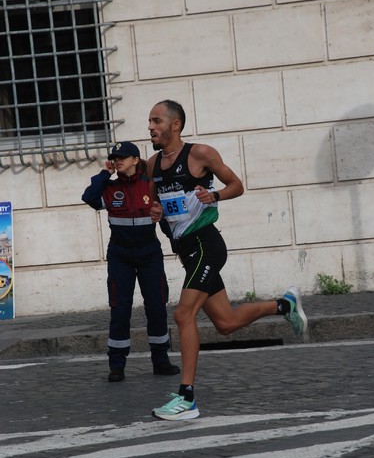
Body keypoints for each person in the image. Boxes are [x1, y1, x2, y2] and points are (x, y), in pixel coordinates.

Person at [147, 100, 308, 420]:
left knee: (183, 315)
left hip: (207, 246)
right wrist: (155, 211)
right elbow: (156, 204)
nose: (150, 127)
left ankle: (187, 398)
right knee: (226, 323)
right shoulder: (152, 164)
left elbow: (237, 185)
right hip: (187, 252)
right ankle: (284, 305)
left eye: (156, 121)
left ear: (175, 125)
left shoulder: (200, 154)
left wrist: (216, 195)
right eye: (149, 122)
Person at [82, 141, 180, 382]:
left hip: (149, 255)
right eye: (114, 158)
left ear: (136, 160)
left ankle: (161, 360)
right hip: (120, 256)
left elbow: (167, 216)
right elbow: (89, 196)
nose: (117, 161)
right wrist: (105, 173)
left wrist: (178, 243)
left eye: (122, 157)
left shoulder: (151, 185)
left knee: (156, 306)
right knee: (120, 309)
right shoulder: (109, 188)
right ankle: (117, 365)